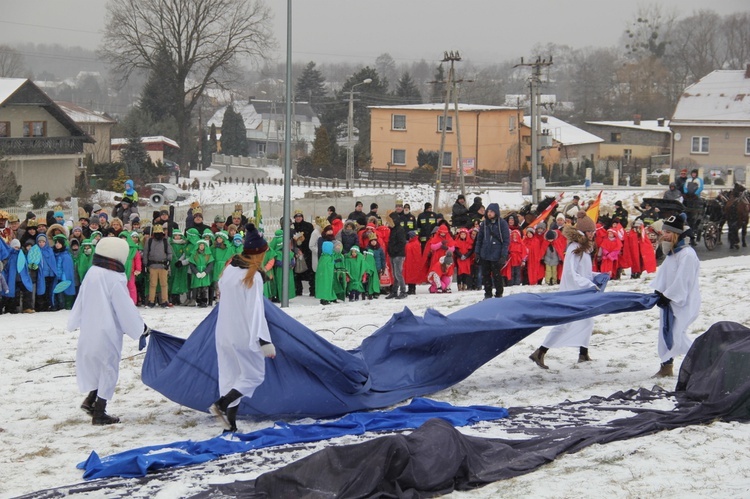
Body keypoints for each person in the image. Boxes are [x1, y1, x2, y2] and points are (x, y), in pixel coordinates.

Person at [68, 237, 147, 425]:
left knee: (97, 366)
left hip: (89, 328)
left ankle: (90, 401)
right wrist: (139, 328)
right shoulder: (114, 277)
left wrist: (73, 321)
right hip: (107, 330)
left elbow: (80, 300)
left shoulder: (93, 272)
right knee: (108, 368)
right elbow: (124, 307)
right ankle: (99, 412)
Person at [210, 223, 276, 433]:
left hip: (223, 332)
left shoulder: (229, 269)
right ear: (259, 254)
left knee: (230, 375)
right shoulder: (253, 277)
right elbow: (255, 311)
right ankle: (222, 404)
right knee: (254, 375)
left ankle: (230, 424)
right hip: (243, 332)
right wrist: (264, 341)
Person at [529, 212, 600, 369]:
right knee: (564, 325)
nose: (592, 234)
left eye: (593, 231)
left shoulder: (585, 249)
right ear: (582, 232)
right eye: (589, 231)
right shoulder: (575, 248)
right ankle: (540, 352)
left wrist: (598, 276)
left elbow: (585, 272)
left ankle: (583, 353)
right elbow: (570, 273)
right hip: (573, 292)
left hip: (583, 292)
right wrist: (588, 284)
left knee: (588, 321)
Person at [651, 215, 701, 377]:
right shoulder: (673, 253)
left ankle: (704, 363)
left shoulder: (686, 255)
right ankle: (666, 366)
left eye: (667, 232)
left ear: (676, 233)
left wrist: (669, 295)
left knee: (677, 335)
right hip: (669, 301)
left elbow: (683, 280)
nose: (663, 235)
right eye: (663, 231)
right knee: (667, 334)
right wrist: (659, 291)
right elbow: (665, 275)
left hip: (681, 302)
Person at [474, 203, 510, 299]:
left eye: (491, 211)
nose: (489, 213)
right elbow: (479, 239)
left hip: (496, 253)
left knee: (496, 275)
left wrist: (503, 255)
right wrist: (477, 253)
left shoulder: (502, 223)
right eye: (488, 211)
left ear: (496, 212)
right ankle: (488, 293)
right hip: (485, 253)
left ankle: (499, 293)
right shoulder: (484, 224)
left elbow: (506, 240)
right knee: (485, 275)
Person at [143, 224, 173, 308]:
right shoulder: (149, 241)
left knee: (164, 284)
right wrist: (146, 264)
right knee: (153, 284)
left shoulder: (165, 241)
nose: (158, 234)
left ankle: (164, 301)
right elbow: (145, 253)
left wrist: (168, 261)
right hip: (152, 265)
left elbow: (169, 252)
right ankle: (151, 300)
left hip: (163, 265)